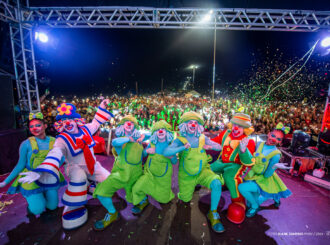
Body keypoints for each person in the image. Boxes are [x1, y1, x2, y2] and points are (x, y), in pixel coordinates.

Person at [18, 100, 112, 229]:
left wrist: (101, 107)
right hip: (74, 167)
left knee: (109, 181)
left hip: (92, 165)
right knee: (79, 178)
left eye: (70, 119)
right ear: (60, 124)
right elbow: (55, 153)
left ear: (76, 120)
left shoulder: (86, 129)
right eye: (63, 120)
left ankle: (90, 186)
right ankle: (73, 205)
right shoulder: (62, 139)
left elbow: (96, 122)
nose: (67, 122)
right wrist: (41, 170)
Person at [163, 112, 225, 233]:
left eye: (195, 122)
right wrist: (182, 148)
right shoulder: (181, 139)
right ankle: (186, 194)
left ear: (198, 126)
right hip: (186, 175)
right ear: (185, 125)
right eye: (190, 122)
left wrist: (210, 147)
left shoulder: (202, 137)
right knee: (185, 199)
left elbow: (219, 147)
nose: (193, 124)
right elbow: (166, 152)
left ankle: (213, 213)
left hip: (203, 172)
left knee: (216, 183)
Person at [0, 112, 65, 215]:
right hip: (30, 178)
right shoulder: (26, 144)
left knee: (52, 207)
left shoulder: (55, 141)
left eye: (38, 125)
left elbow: (61, 160)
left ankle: (42, 197)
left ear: (45, 126)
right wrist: (5, 182)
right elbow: (20, 165)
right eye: (31, 127)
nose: (35, 128)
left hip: (49, 176)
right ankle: (33, 205)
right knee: (37, 209)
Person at [93, 115, 149, 231]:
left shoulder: (139, 142)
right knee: (102, 191)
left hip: (136, 173)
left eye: (132, 123)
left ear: (135, 127)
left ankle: (143, 201)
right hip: (121, 174)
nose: (128, 124)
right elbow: (115, 142)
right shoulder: (122, 141)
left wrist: (143, 137)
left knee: (136, 195)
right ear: (121, 127)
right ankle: (112, 213)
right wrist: (129, 138)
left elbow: (151, 138)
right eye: (126, 122)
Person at [238, 123, 292, 217]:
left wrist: (274, 166)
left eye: (278, 139)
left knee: (242, 188)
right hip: (253, 175)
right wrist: (243, 150)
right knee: (248, 204)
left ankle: (257, 205)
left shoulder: (276, 154)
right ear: (268, 133)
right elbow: (251, 160)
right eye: (273, 135)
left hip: (264, 180)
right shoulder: (260, 144)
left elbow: (267, 175)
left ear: (280, 142)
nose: (273, 139)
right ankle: (271, 198)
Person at [211, 113, 256, 224]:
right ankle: (220, 184)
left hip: (236, 165)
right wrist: (204, 142)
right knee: (209, 169)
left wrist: (243, 150)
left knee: (230, 177)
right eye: (235, 124)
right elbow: (215, 141)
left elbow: (249, 162)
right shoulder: (226, 133)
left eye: (240, 126)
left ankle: (238, 200)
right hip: (222, 162)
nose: (236, 128)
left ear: (246, 128)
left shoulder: (248, 141)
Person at [131, 120, 177, 214]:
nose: (160, 131)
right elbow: (143, 154)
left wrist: (170, 156)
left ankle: (161, 195)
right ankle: (143, 200)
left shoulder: (171, 146)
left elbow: (175, 161)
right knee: (137, 187)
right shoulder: (152, 143)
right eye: (158, 129)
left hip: (164, 177)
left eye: (163, 129)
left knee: (164, 200)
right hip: (149, 174)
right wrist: (147, 151)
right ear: (155, 133)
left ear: (167, 132)